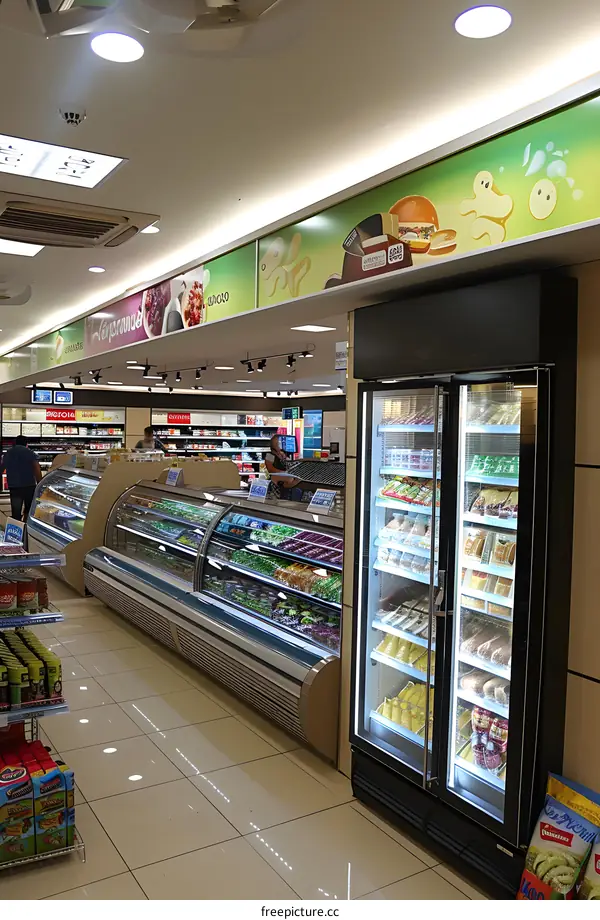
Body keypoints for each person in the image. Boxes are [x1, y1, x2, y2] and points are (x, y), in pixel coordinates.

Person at [0, 435, 42, 521]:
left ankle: (16, 528)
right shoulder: (30, 452)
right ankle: (25, 524)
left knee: (16, 511)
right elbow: (36, 468)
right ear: (26, 443)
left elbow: (1, 468)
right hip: (29, 485)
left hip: (14, 485)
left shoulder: (8, 453)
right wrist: (39, 483)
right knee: (28, 508)